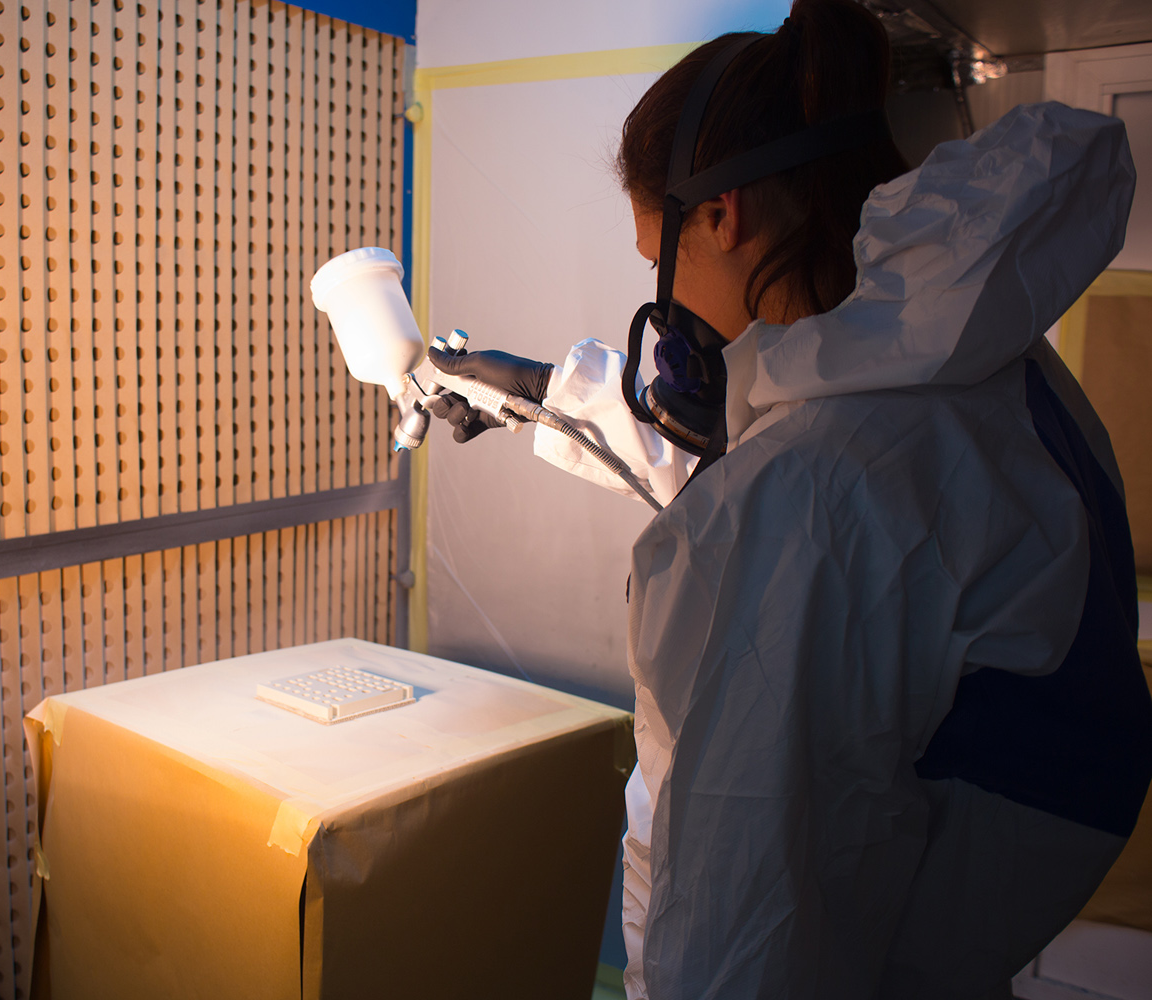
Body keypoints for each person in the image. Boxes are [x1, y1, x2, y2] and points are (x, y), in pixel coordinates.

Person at [427, 1, 1152, 996]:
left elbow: (739, 951)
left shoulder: (812, 494)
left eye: (657, 260)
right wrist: (543, 394)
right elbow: (804, 494)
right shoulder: (994, 373)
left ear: (721, 215)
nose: (664, 300)